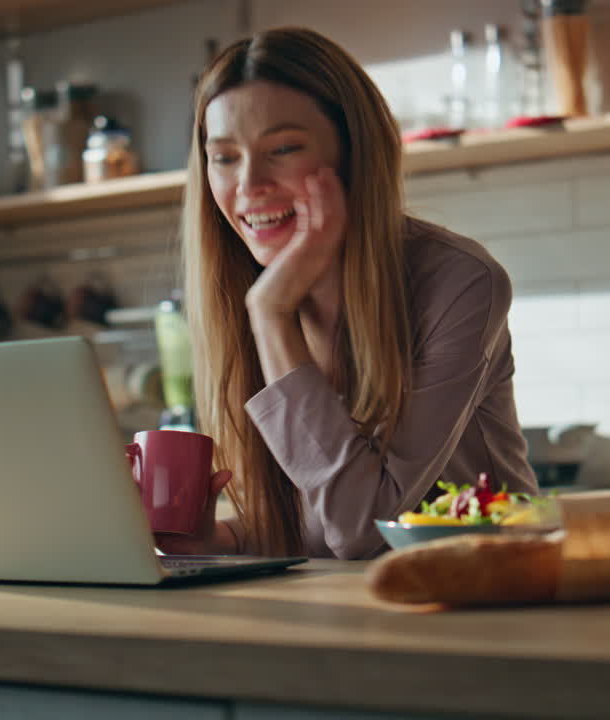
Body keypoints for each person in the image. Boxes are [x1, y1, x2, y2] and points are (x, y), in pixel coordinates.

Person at [164, 27, 536, 561]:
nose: (249, 185)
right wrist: (218, 540)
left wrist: (270, 316)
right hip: (346, 613)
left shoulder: (459, 282)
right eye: (224, 157)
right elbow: (318, 522)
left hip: (483, 597)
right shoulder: (241, 286)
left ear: (354, 155)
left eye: (284, 149)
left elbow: (364, 527)